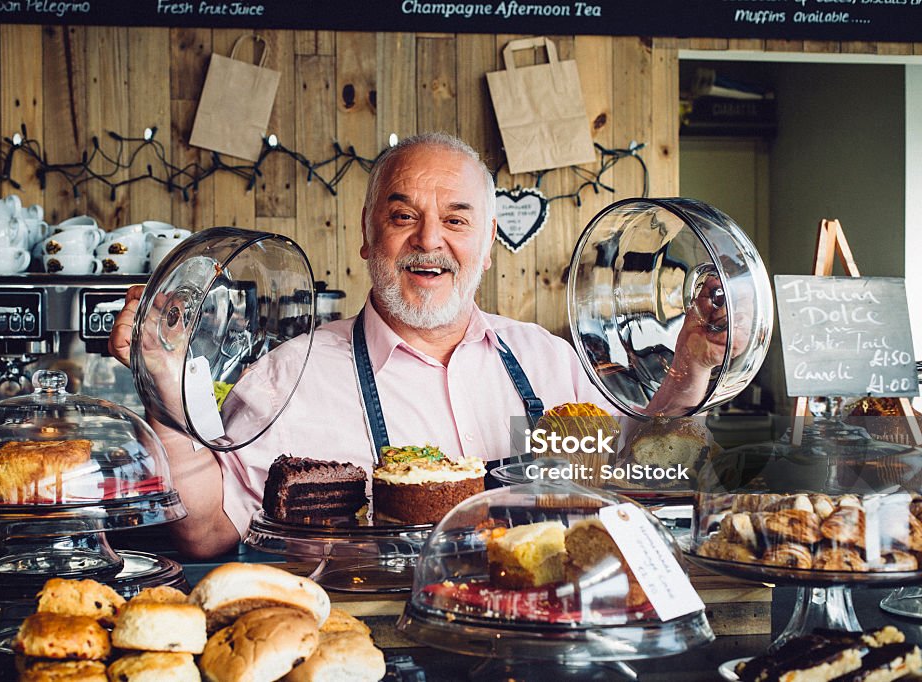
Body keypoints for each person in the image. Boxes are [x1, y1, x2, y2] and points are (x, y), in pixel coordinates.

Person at [110, 132, 716, 558]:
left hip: (543, 643)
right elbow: (208, 531)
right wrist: (164, 384)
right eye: (404, 218)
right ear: (368, 236)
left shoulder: (549, 360)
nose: (430, 241)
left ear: (484, 246)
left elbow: (643, 472)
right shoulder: (290, 376)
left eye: (456, 221)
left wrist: (691, 368)